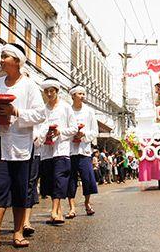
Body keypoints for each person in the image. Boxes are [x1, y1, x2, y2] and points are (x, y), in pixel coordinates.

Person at [0, 43, 45, 251]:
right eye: (1, 56)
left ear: (17, 61)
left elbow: (40, 114)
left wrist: (16, 112)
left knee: (20, 188)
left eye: (6, 56)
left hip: (21, 146)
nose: (1, 59)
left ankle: (18, 232)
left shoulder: (29, 86)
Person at [38, 77, 77, 225]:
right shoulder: (42, 109)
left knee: (59, 178)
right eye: (46, 91)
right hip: (47, 151)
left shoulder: (66, 107)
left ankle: (54, 211)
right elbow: (39, 128)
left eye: (51, 91)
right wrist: (44, 134)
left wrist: (60, 132)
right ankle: (58, 213)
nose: (49, 94)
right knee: (50, 181)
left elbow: (73, 128)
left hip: (61, 149)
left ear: (57, 91)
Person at [66, 85, 99, 218]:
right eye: (79, 93)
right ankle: (72, 207)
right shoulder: (67, 110)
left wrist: (83, 135)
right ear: (73, 96)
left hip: (84, 151)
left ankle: (87, 203)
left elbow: (94, 131)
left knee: (87, 178)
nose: (82, 96)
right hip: (69, 150)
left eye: (83, 93)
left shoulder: (89, 111)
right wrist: (72, 134)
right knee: (71, 180)